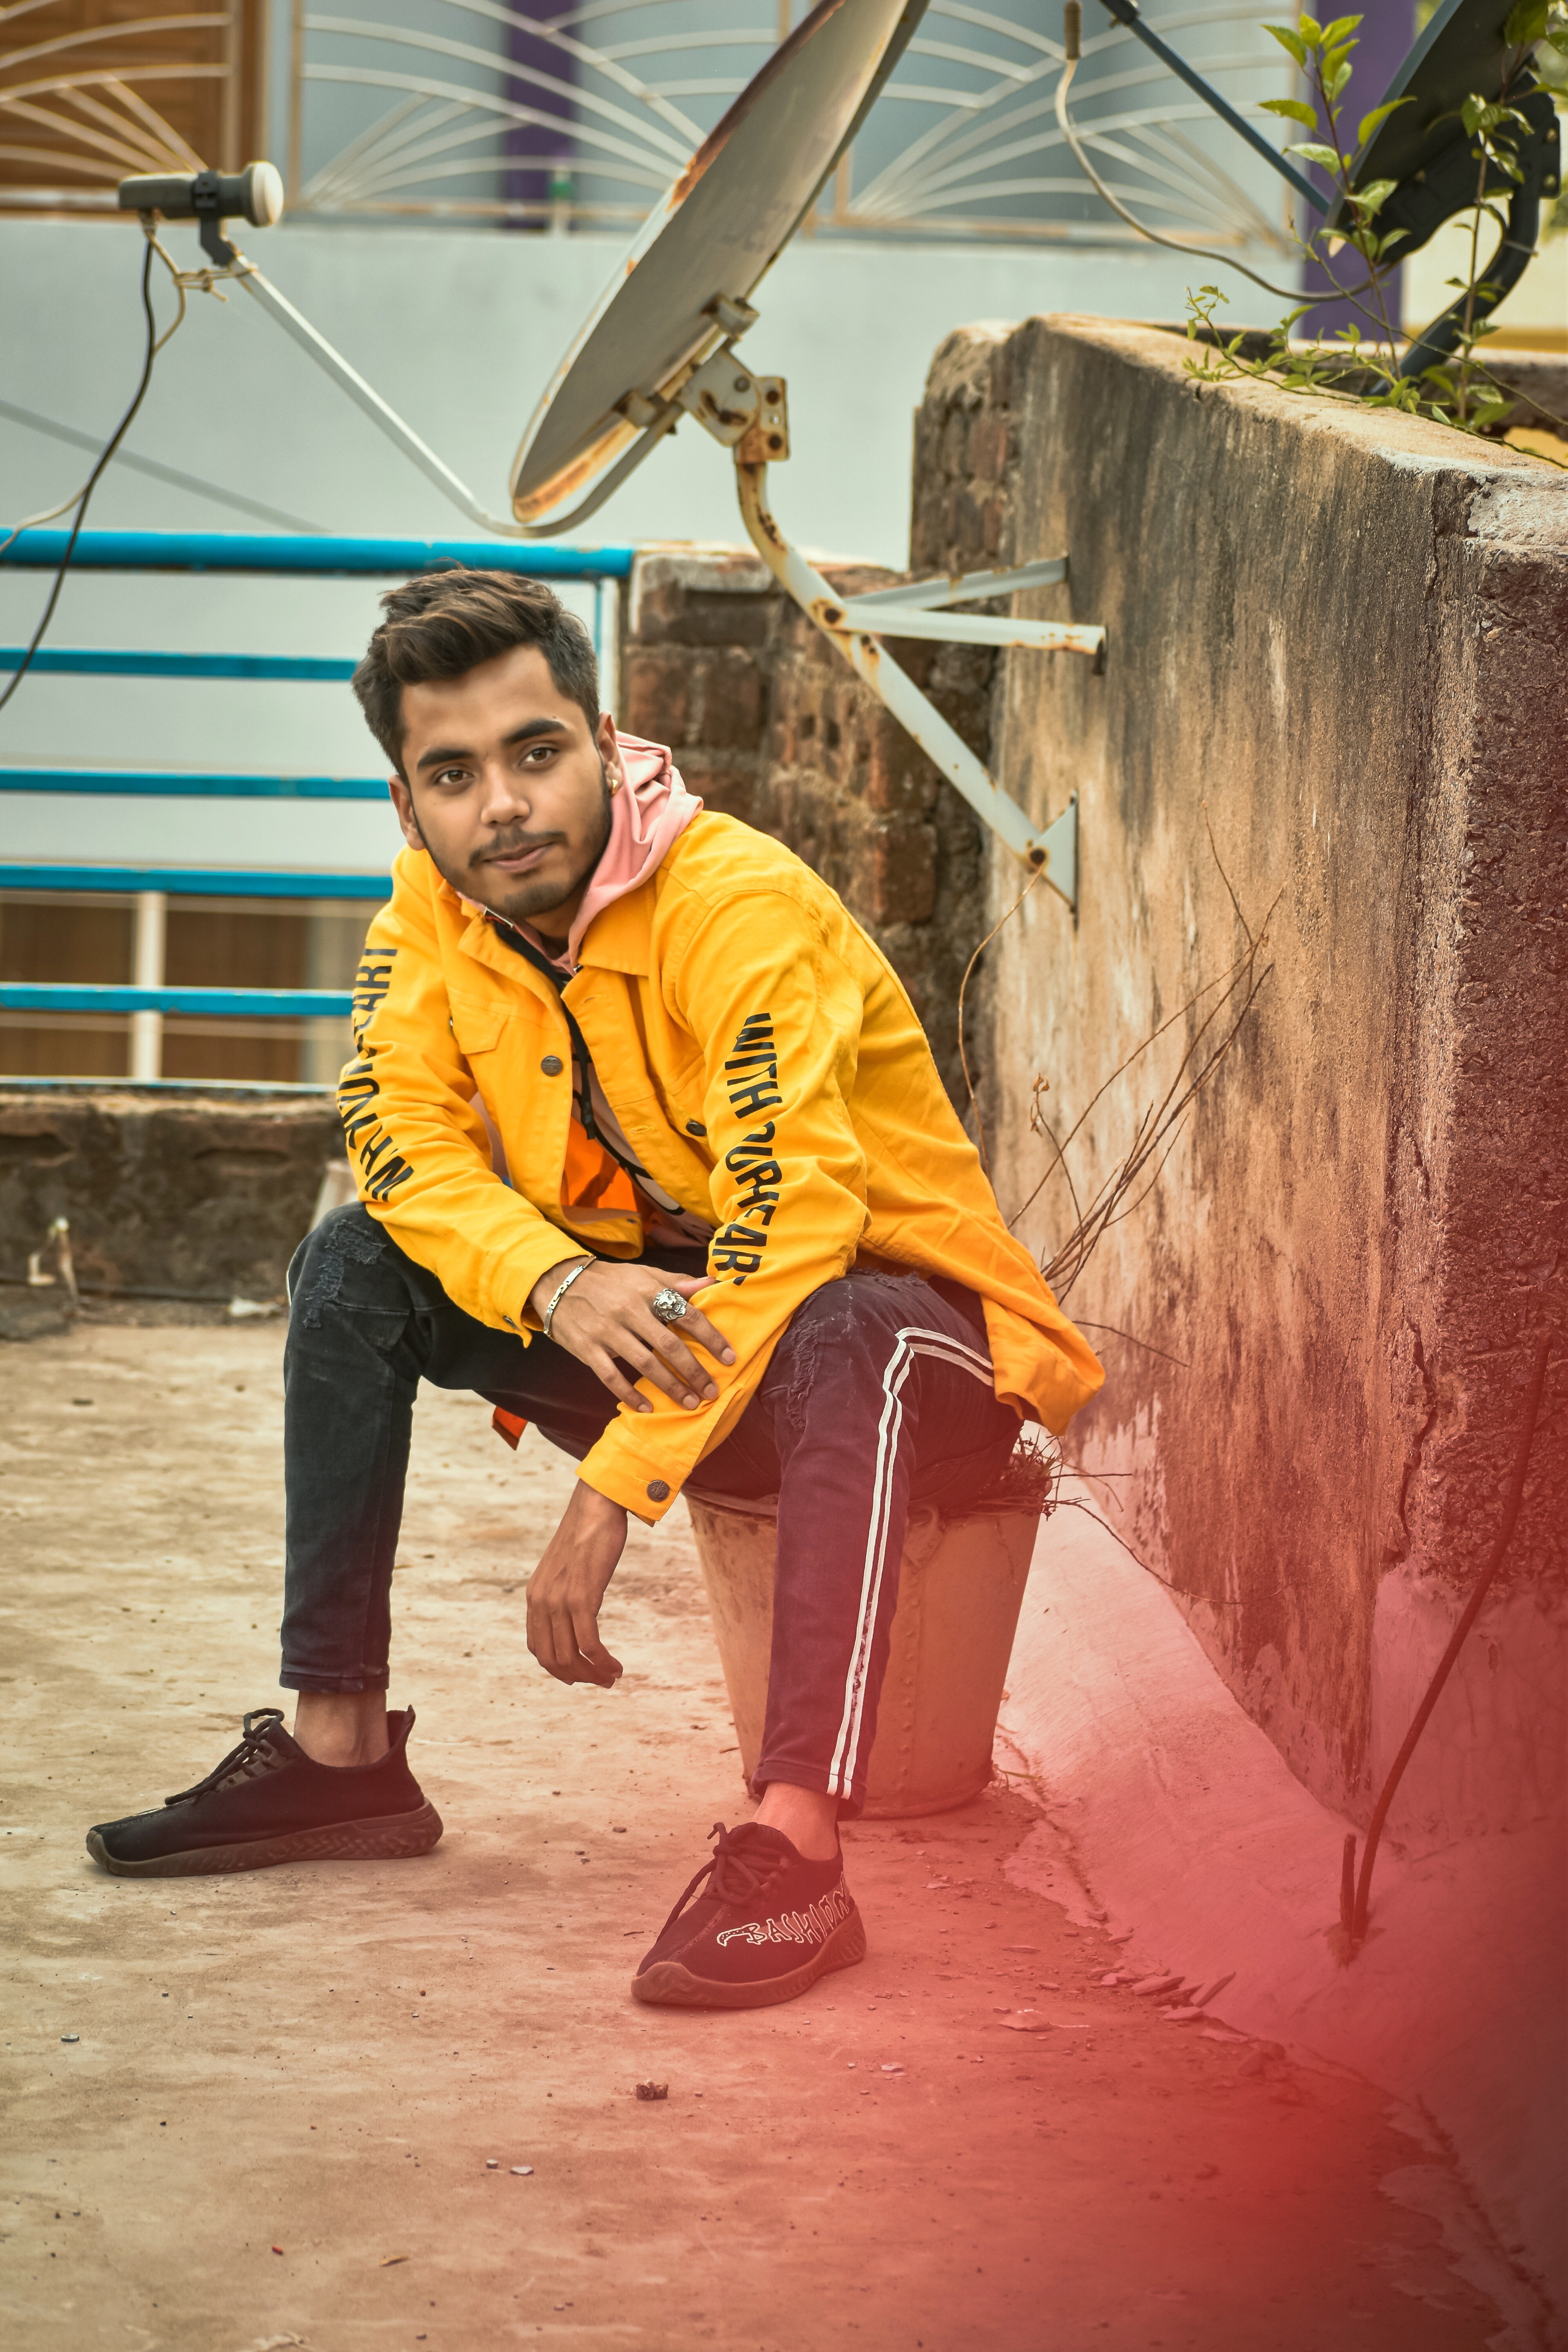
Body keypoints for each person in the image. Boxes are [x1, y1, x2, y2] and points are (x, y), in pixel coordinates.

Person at [86, 568, 1101, 2010]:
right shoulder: (430, 910)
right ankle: (339, 1755)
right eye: (453, 774)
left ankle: (794, 1851)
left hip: (920, 1357)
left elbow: (795, 1227)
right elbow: (397, 1139)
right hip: (692, 1340)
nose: (502, 805)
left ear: (606, 743)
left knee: (845, 1329)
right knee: (353, 1263)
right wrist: (556, 1283)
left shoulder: (735, 905)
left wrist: (607, 1491)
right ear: (407, 806)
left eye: (535, 752)